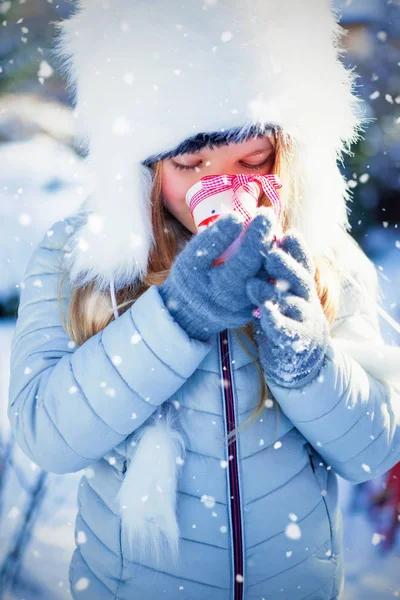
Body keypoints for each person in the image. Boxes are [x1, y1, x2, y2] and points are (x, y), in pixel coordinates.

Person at [7, 1, 400, 599]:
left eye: (255, 160)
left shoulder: (322, 255)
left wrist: (307, 361)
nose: (222, 188)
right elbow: (47, 437)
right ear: (139, 167)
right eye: (190, 163)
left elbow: (373, 450)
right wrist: (175, 320)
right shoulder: (82, 257)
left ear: (288, 155)